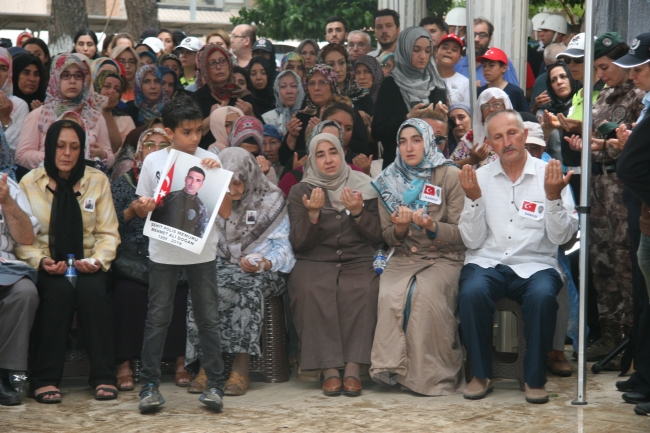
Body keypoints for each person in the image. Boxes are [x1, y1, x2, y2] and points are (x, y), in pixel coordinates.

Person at [457, 109, 578, 404]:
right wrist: (473, 199)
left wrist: (551, 197)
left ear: (524, 135)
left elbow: (563, 238)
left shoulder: (549, 174)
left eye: (512, 133)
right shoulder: (479, 178)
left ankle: (534, 378)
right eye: (498, 137)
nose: (507, 141)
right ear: (490, 143)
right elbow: (471, 240)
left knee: (542, 296)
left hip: (536, 263)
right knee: (471, 291)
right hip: (487, 261)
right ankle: (480, 373)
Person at [135, 97, 232, 413]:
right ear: (168, 131)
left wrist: (219, 181)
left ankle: (215, 385)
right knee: (157, 318)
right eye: (186, 132)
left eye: (197, 131)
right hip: (163, 251)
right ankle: (148, 385)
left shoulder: (210, 159)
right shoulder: (153, 162)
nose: (194, 139)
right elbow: (139, 208)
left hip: (202, 252)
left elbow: (227, 211)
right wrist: (144, 206)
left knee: (208, 319)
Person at [16, 119, 121, 404]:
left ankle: (103, 376)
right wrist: (42, 261)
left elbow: (108, 233)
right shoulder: (29, 183)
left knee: (94, 293)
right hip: (48, 264)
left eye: (75, 147)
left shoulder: (97, 180)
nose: (67, 153)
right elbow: (23, 239)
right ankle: (45, 379)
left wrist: (98, 261)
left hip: (89, 263)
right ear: (49, 148)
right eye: (60, 146)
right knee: (58, 293)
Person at [185, 147, 294, 396]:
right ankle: (206, 366)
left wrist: (264, 262)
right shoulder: (215, 198)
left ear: (249, 176)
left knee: (247, 287)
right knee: (202, 287)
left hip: (265, 270)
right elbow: (204, 240)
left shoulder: (272, 199)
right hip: (223, 264)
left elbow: (285, 249)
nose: (232, 189)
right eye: (227, 182)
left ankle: (240, 367)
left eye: (238, 182)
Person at [566, 33, 645, 363]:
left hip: (621, 187)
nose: (600, 74)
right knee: (600, 262)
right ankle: (609, 334)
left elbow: (633, 146)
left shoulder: (640, 98)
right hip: (596, 186)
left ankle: (631, 338)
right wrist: (582, 139)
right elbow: (597, 134)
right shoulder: (603, 95)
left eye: (604, 67)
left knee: (626, 261)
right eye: (596, 68)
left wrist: (605, 146)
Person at [370, 118, 465, 395]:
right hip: (403, 256)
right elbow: (387, 235)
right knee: (390, 294)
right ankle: (393, 371)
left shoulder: (450, 176)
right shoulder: (388, 179)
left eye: (416, 140)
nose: (409, 147)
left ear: (428, 142)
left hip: (444, 257)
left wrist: (431, 226)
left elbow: (462, 234)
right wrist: (399, 229)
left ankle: (429, 377)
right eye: (402, 141)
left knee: (425, 295)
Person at [287, 132, 381, 397]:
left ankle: (352, 370)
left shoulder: (365, 185)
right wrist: (312, 215)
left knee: (365, 288)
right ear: (313, 160)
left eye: (333, 152)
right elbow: (298, 243)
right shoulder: (300, 191)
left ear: (342, 154)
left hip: (359, 257)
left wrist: (360, 213)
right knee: (310, 289)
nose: (328, 160)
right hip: (315, 259)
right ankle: (329, 370)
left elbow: (378, 235)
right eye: (320, 154)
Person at [111, 128, 190, 391]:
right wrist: (133, 210)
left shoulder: (182, 182)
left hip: (169, 251)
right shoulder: (123, 183)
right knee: (126, 291)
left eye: (163, 145)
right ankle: (123, 365)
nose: (155, 150)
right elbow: (110, 226)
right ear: (139, 152)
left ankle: (181, 362)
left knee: (182, 287)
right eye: (149, 144)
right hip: (133, 254)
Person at [616, 32, 650, 417]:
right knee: (644, 300)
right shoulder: (646, 103)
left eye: (639, 69)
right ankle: (644, 375)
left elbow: (630, 167)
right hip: (645, 217)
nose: (633, 76)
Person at [16, 54, 115, 170]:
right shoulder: (39, 115)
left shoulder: (95, 117)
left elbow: (110, 157)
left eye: (78, 76)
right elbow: (21, 156)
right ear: (55, 78)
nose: (72, 81)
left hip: (86, 182)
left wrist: (102, 155)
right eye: (66, 75)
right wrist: (55, 156)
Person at [371, 26, 447, 168]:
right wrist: (407, 119)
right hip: (397, 167)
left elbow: (445, 133)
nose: (423, 56)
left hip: (431, 166)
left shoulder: (436, 84)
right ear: (404, 50)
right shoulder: (390, 85)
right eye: (416, 50)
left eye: (427, 51)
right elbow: (377, 131)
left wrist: (443, 117)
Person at [0, 154, 39, 406]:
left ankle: (3, 374)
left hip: (4, 265)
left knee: (25, 292)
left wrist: (7, 202)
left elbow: (26, 238)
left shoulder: (8, 185)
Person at [279, 64, 369, 166]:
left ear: (332, 84)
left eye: (322, 82)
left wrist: (327, 132)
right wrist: (291, 137)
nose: (316, 88)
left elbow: (363, 150)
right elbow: (284, 159)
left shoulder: (346, 112)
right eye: (312, 83)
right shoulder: (302, 116)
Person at [190, 45, 260, 150]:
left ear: (229, 64)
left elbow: (264, 134)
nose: (218, 67)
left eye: (222, 61)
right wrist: (211, 118)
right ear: (205, 69)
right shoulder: (196, 98)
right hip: (206, 160)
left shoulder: (244, 96)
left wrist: (251, 115)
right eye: (212, 63)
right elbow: (189, 135)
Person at [450, 88, 512, 168]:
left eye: (496, 104)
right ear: (481, 112)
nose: (491, 109)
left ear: (505, 107)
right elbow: (449, 167)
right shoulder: (472, 136)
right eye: (485, 106)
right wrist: (471, 160)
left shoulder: (515, 134)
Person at [454, 18, 519, 87]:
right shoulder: (457, 66)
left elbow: (514, 94)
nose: (476, 39)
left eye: (482, 35)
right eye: (472, 34)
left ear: (489, 39)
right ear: (466, 38)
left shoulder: (501, 62)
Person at [150, 166, 209, 237]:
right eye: (190, 178)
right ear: (185, 179)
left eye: (198, 180)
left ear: (201, 185)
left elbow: (200, 234)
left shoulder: (202, 208)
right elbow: (153, 219)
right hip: (161, 239)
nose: (192, 183)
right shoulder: (169, 197)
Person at [318, 43, 374, 115]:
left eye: (342, 63)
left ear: (347, 64)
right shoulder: (317, 95)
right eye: (331, 65)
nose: (338, 69)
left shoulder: (362, 95)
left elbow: (375, 124)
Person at [94, 70, 135, 154]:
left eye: (116, 89)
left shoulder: (125, 119)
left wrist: (107, 111)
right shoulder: (85, 112)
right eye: (106, 86)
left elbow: (116, 148)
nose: (111, 92)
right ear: (97, 88)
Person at [477, 48, 528, 112]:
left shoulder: (515, 92)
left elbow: (525, 117)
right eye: (484, 66)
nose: (486, 69)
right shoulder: (480, 92)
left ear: (504, 68)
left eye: (491, 65)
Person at [0, 48, 29, 155]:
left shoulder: (19, 105)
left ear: (9, 73)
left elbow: (15, 149)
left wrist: (6, 119)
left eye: (3, 68)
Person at [529, 43, 568, 113]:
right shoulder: (541, 80)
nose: (559, 82)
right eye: (553, 80)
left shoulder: (577, 76)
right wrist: (536, 105)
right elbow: (532, 114)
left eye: (563, 76)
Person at [262, 70, 304, 135]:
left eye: (293, 86)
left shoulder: (308, 117)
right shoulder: (267, 119)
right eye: (283, 87)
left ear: (300, 89)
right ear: (277, 91)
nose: (289, 91)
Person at [435, 33, 469, 104]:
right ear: (436, 52)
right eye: (445, 48)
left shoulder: (465, 83)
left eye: (454, 50)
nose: (449, 51)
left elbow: (467, 111)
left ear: (459, 58)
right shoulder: (426, 78)